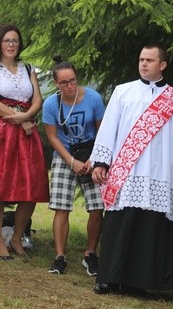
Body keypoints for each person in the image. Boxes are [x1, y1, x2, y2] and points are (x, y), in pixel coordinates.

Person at [90, 44, 173, 296]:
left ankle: (138, 281)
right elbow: (108, 128)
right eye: (141, 59)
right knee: (119, 224)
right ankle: (108, 277)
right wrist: (101, 162)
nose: (143, 64)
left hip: (160, 172)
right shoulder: (123, 91)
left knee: (150, 228)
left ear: (163, 65)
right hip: (126, 172)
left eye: (149, 60)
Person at [42, 59, 105, 275]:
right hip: (65, 154)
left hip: (91, 153)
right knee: (61, 206)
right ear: (56, 84)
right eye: (64, 83)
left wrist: (94, 159)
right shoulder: (51, 104)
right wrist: (71, 161)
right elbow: (52, 137)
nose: (70, 87)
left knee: (97, 206)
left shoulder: (94, 99)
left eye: (73, 81)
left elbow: (102, 132)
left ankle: (90, 254)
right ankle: (60, 257)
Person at [0, 24, 49, 259]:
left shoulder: (28, 67)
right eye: (7, 40)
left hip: (27, 133)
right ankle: (0, 241)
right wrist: (19, 119)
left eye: (15, 41)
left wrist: (28, 116)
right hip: (4, 131)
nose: (11, 44)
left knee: (32, 187)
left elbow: (37, 99)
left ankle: (17, 237)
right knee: (1, 185)